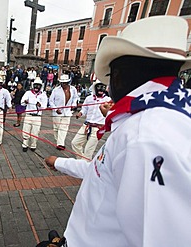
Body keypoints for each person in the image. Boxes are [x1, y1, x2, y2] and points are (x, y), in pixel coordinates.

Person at [45, 16, 191, 246]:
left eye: (110, 77)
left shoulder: (145, 138)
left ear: (120, 75)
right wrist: (59, 163)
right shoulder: (160, 116)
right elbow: (102, 172)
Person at [71, 80, 111, 159]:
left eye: (103, 87)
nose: (101, 89)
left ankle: (84, 165)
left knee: (88, 151)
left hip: (98, 128)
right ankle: (82, 161)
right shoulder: (89, 98)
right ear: (95, 88)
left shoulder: (108, 100)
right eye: (99, 87)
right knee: (75, 143)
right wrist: (80, 113)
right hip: (86, 126)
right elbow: (84, 109)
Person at [49, 74, 79, 150]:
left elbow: (75, 98)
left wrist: (74, 104)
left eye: (65, 83)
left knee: (64, 128)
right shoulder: (56, 90)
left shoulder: (73, 89)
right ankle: (59, 141)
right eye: (62, 83)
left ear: (68, 82)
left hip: (67, 112)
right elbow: (51, 101)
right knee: (56, 129)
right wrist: (56, 109)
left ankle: (60, 144)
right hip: (57, 113)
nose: (64, 84)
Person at [20, 77, 48, 152]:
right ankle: (25, 145)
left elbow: (44, 107)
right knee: (26, 131)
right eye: (35, 85)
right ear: (33, 85)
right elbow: (22, 102)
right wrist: (25, 102)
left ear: (41, 86)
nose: (36, 87)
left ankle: (33, 145)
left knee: (35, 133)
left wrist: (40, 105)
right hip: (28, 115)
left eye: (38, 85)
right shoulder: (28, 93)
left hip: (37, 117)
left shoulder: (43, 95)